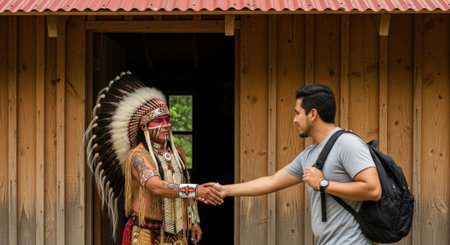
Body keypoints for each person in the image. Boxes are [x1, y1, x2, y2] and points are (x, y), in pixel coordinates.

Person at [209, 84, 382, 245]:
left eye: (297, 113)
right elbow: (271, 181)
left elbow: (373, 190)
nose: (294, 120)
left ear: (313, 114)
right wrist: (224, 190)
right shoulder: (309, 154)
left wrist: (323, 184)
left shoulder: (347, 143)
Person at [84, 72, 223, 245]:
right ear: (144, 127)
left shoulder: (177, 152)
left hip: (177, 235)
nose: (166, 125)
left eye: (167, 119)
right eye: (158, 121)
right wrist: (196, 189)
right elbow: (156, 186)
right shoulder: (138, 156)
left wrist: (195, 221)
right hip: (146, 234)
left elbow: (187, 185)